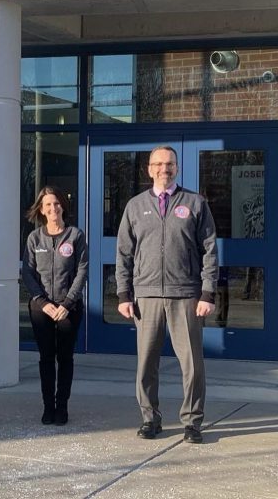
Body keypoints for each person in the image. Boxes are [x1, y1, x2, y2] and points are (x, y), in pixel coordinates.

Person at [116, 146, 218, 443]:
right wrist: (124, 294)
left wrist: (207, 292)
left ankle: (192, 421)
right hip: (145, 297)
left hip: (186, 295)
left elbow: (210, 251)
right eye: (158, 164)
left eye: (170, 163)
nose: (164, 168)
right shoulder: (135, 206)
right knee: (146, 363)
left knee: (192, 364)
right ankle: (150, 418)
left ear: (177, 167)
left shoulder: (196, 203)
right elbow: (124, 252)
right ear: (149, 169)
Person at [22, 186, 88, 426]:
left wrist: (68, 303)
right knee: (46, 358)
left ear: (63, 206)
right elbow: (27, 272)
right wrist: (42, 302)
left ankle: (62, 407)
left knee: (66, 358)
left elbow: (81, 271)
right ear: (41, 209)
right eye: (48, 205)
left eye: (56, 203)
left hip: (68, 308)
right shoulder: (34, 238)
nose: (53, 208)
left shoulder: (75, 236)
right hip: (42, 309)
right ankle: (48, 406)